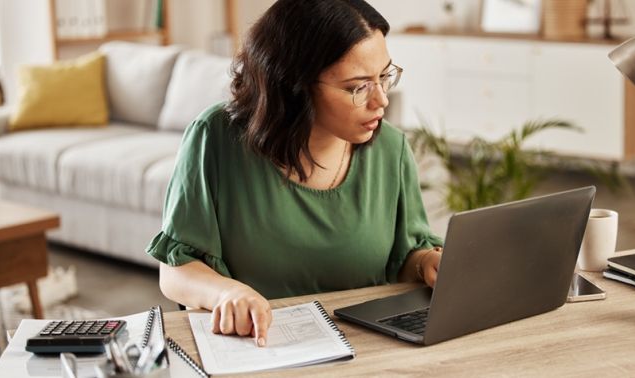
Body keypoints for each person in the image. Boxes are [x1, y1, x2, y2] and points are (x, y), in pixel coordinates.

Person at [146, 0, 443, 348]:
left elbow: (402, 261)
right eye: (358, 87)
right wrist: (227, 293)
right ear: (294, 84)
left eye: (384, 77)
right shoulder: (216, 138)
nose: (381, 101)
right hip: (258, 349)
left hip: (369, 352)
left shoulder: (391, 150)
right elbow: (175, 270)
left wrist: (426, 263)